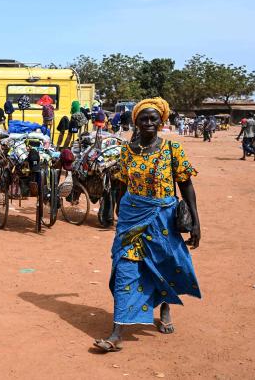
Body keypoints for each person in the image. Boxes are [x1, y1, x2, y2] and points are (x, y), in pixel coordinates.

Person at [93, 97, 202, 353]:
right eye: (144, 118)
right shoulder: (126, 151)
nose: (149, 122)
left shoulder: (172, 149)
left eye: (154, 118)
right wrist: (119, 211)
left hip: (163, 217)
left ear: (161, 121)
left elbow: (186, 184)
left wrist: (196, 221)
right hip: (132, 217)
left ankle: (164, 307)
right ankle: (117, 332)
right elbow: (121, 184)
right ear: (136, 122)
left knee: (165, 263)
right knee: (124, 268)